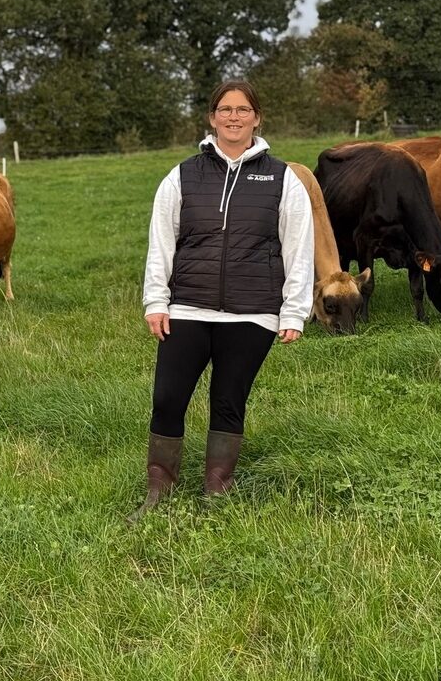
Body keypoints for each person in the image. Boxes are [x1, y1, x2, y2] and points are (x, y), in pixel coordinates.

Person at [130, 80, 314, 521]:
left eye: (243, 110)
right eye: (225, 109)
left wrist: (294, 310)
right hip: (187, 308)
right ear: (212, 118)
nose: (234, 117)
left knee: (229, 400)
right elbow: (161, 242)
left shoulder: (282, 178)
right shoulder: (182, 175)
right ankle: (159, 490)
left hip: (253, 313)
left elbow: (298, 247)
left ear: (257, 117)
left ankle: (217, 489)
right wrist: (156, 300)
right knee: (168, 399)